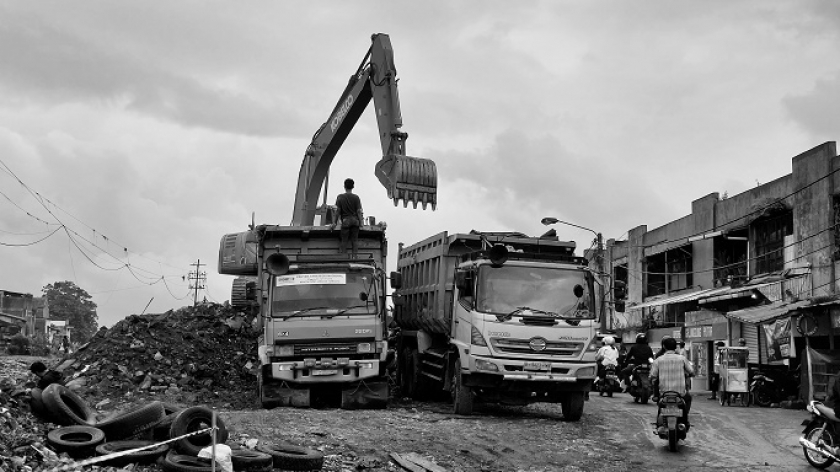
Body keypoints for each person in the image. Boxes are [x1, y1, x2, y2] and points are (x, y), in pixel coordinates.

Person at [650, 337, 694, 430]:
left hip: (664, 393)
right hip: (680, 393)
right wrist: (689, 375)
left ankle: (660, 424)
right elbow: (692, 372)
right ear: (675, 347)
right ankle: (685, 419)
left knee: (660, 404)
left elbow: (653, 375)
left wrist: (653, 379)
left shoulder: (658, 360)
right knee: (688, 398)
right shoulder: (682, 359)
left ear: (664, 346)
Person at [333, 178, 363, 256]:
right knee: (355, 241)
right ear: (353, 187)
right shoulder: (356, 197)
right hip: (355, 221)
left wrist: (334, 223)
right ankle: (354, 257)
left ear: (344, 186)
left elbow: (338, 211)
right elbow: (359, 212)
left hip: (346, 221)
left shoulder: (340, 197)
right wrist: (361, 223)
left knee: (344, 241)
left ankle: (344, 256)